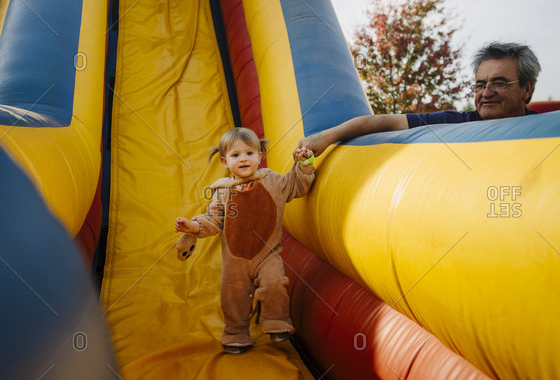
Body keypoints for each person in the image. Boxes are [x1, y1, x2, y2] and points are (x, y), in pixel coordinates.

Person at [174, 127, 315, 354]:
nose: (244, 159)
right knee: (233, 296)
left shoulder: (273, 181)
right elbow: (215, 220)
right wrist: (194, 226)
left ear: (260, 155)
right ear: (224, 161)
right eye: (235, 155)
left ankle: (276, 322)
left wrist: (304, 164)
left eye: (249, 153)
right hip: (234, 261)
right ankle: (235, 332)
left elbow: (296, 185)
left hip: (267, 253)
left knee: (275, 283)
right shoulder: (222, 190)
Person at [297, 41, 541, 157]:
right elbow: (384, 122)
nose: (486, 93)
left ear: (526, 90)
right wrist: (326, 137)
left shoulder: (546, 131)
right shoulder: (457, 123)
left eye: (499, 83)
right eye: (480, 85)